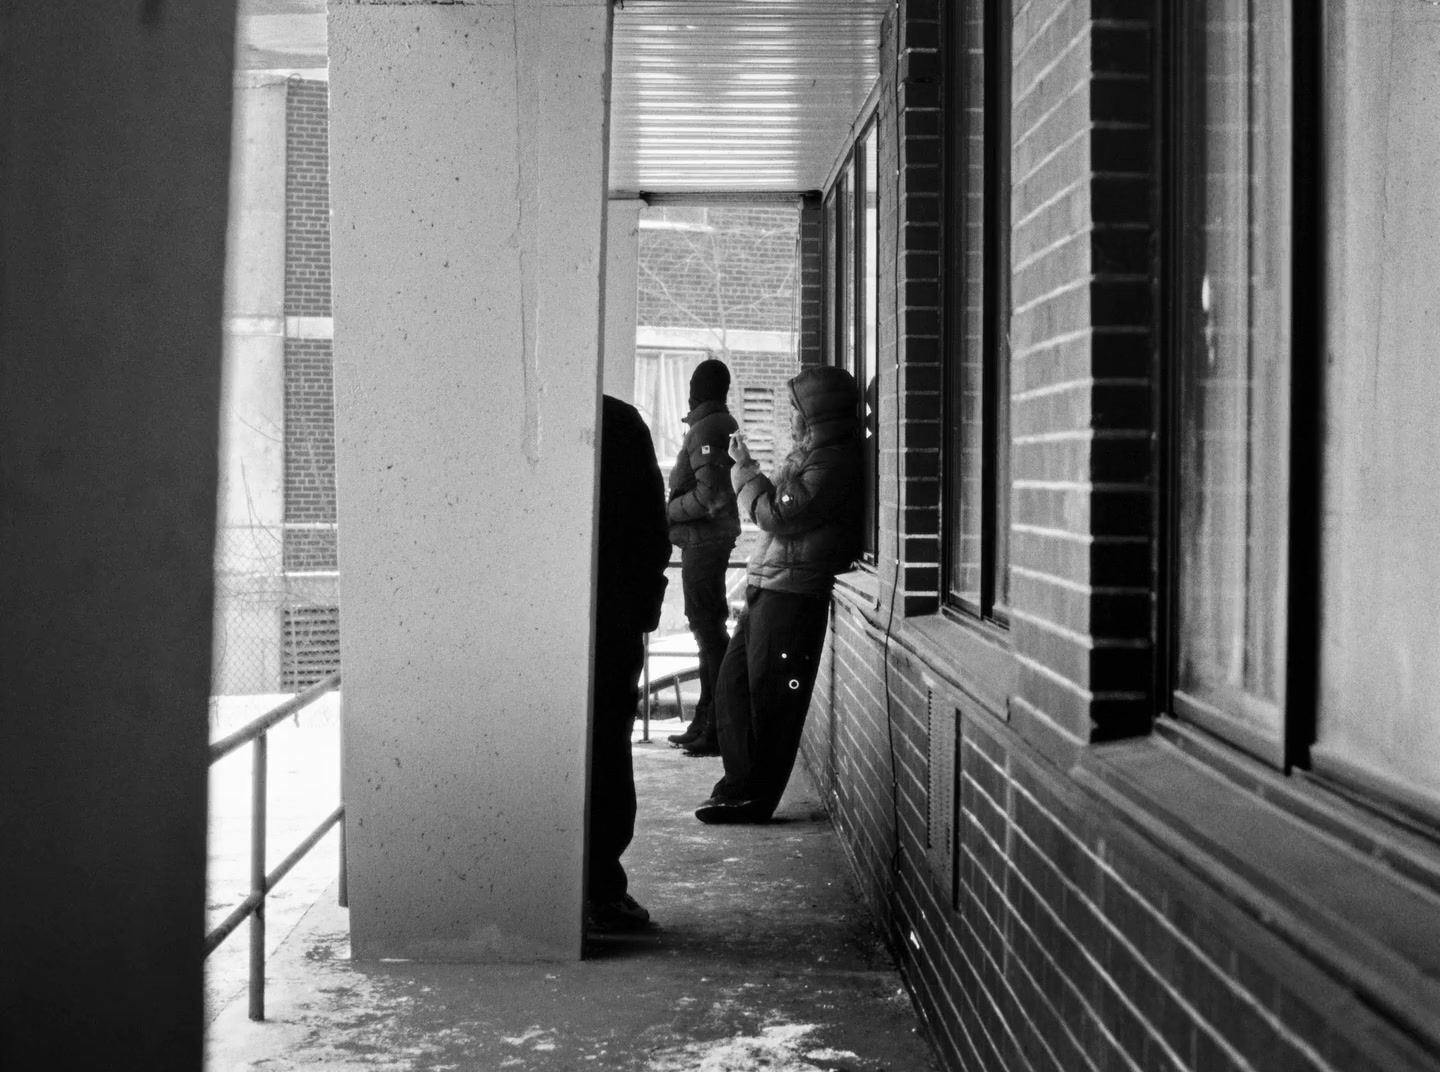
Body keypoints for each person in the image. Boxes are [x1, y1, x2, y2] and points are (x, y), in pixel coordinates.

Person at [695, 365, 863, 825]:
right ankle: (736, 786)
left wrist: (744, 471)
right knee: (733, 690)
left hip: (792, 595)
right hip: (769, 587)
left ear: (815, 414)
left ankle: (754, 798)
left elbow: (776, 515)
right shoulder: (812, 455)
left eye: (794, 407)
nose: (789, 415)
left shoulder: (833, 460)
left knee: (772, 703)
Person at [588, 395, 671, 931]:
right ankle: (600, 887)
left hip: (536, 621)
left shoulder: (498, 407)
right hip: (612, 619)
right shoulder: (617, 420)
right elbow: (651, 529)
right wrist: (642, 610)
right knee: (607, 752)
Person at [663, 358, 741, 757]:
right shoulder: (710, 426)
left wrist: (667, 513)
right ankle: (706, 720)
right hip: (704, 541)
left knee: (709, 632)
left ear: (700, 389)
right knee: (707, 630)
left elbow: (710, 498)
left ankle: (715, 726)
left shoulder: (708, 428)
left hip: (704, 542)